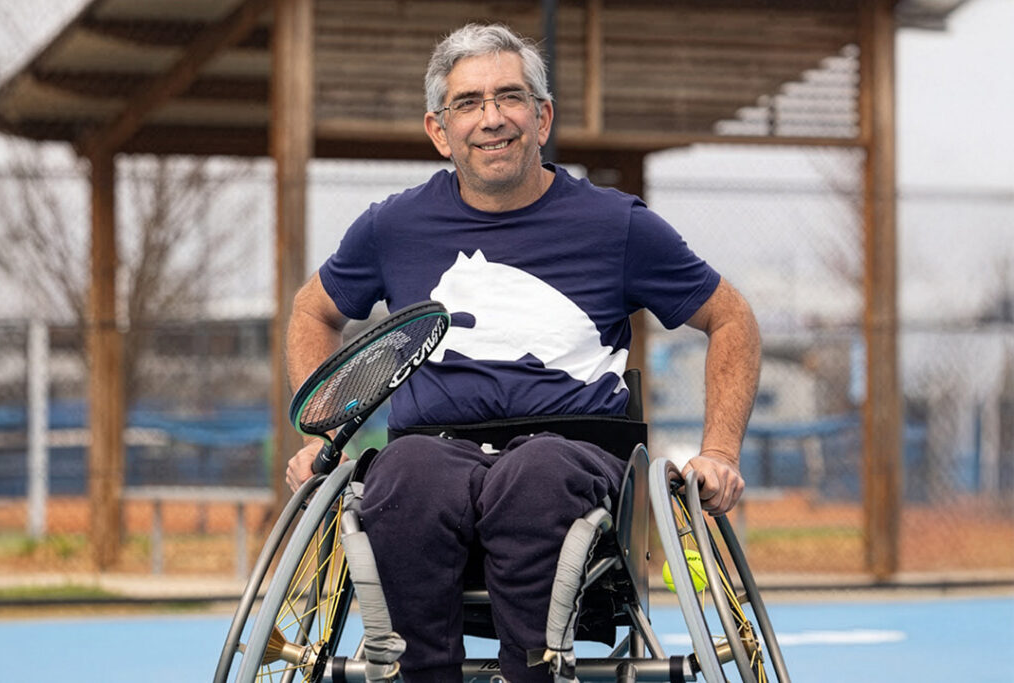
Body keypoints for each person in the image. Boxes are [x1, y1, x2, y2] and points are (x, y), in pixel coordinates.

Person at [286, 23, 761, 683]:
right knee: (402, 476)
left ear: (542, 118)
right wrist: (325, 429)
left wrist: (721, 450)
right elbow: (314, 309)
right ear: (438, 129)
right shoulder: (392, 226)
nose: (492, 118)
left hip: (571, 452)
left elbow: (730, 315)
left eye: (510, 98)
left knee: (531, 473)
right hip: (432, 447)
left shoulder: (615, 224)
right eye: (469, 103)